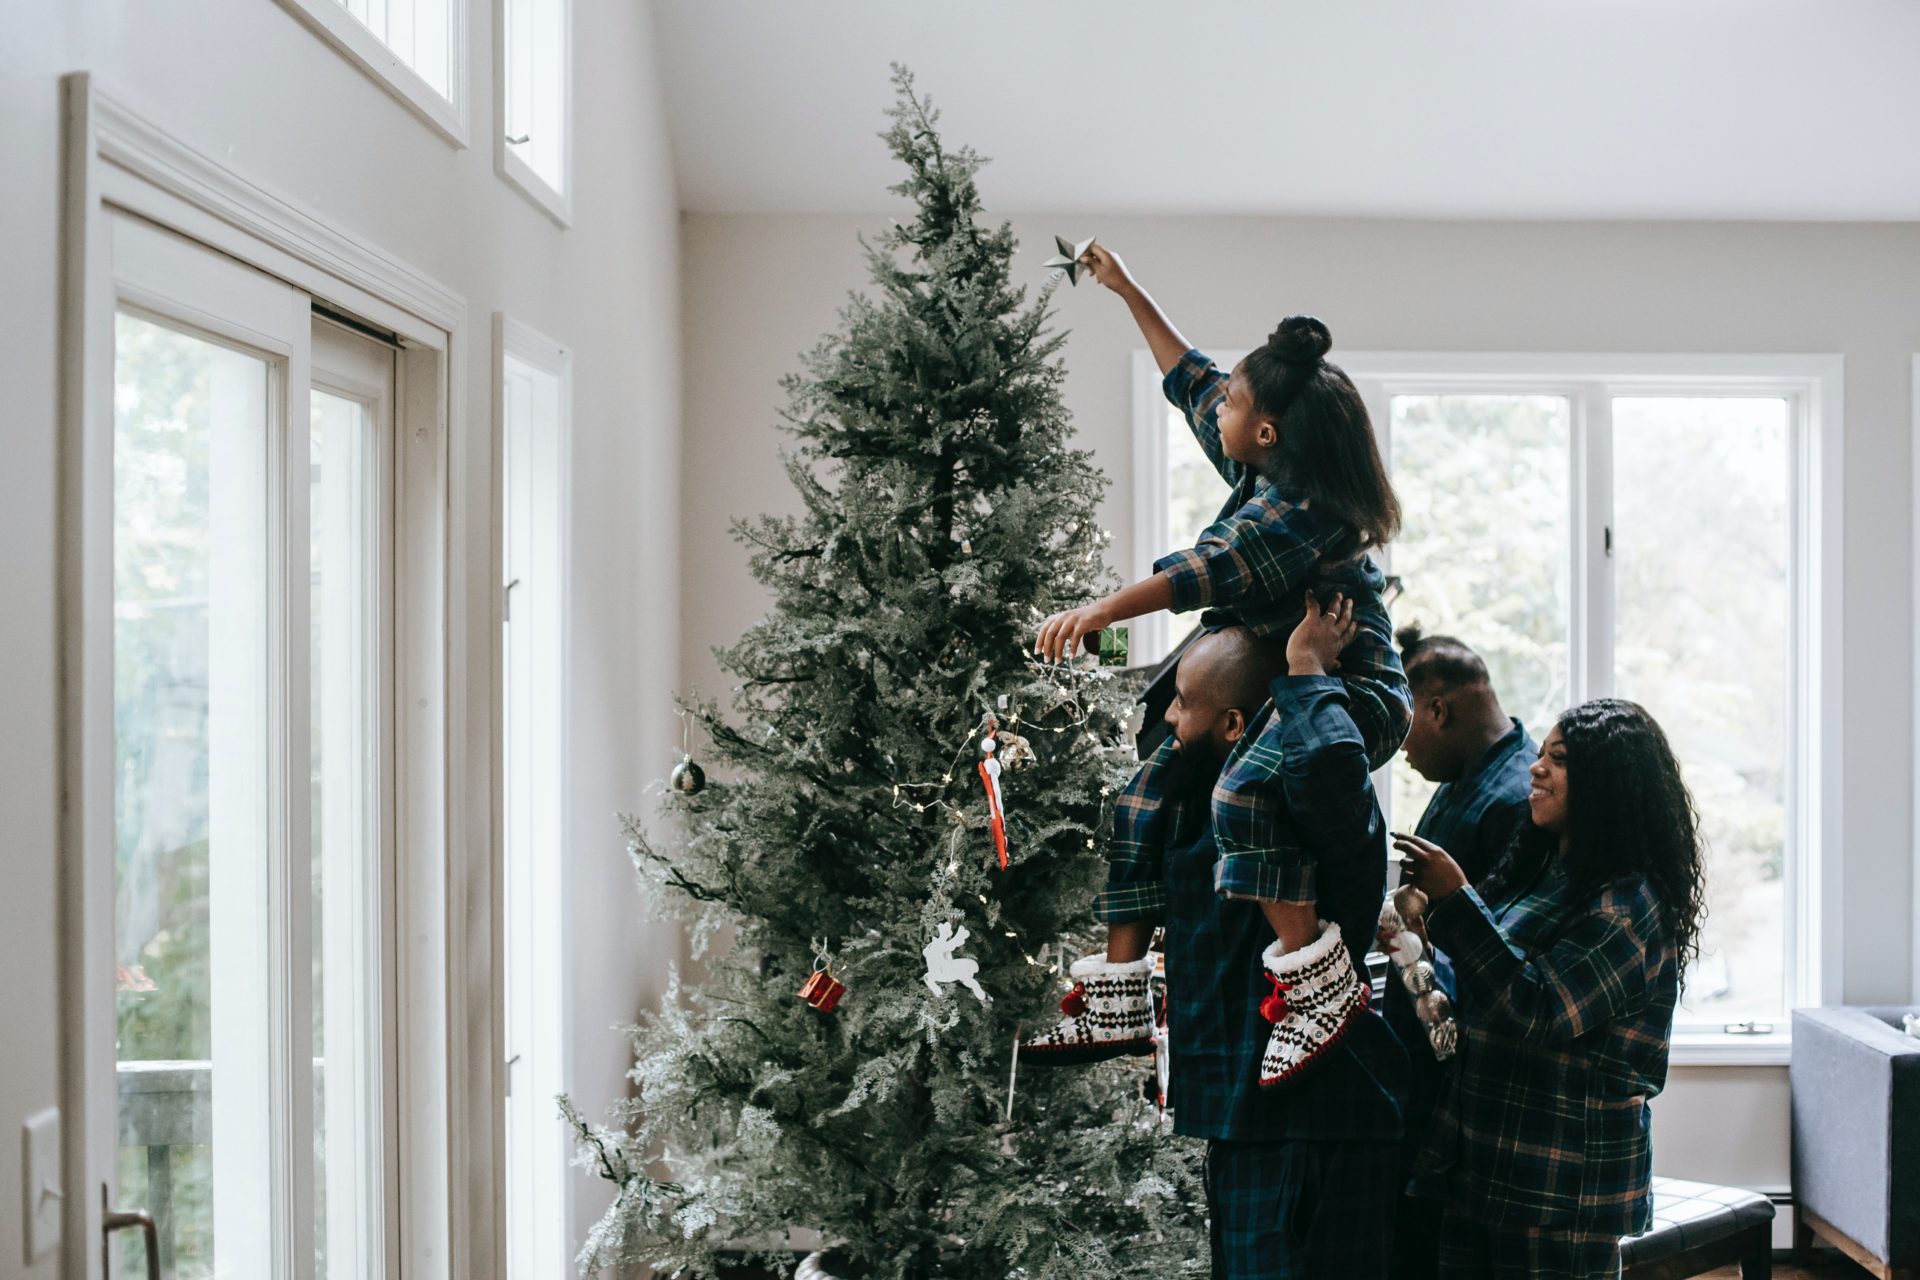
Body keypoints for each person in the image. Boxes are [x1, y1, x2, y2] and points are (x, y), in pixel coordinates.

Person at [1023, 244, 1410, 1083]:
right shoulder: (1264, 454)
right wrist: (1128, 288)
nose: (1221, 408)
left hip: (1352, 691)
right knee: (1144, 794)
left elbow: (1198, 573)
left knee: (1242, 791)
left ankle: (1319, 982)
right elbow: (1191, 379)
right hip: (1291, 675)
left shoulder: (1296, 514)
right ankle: (1117, 1000)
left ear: (1266, 430)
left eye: (1238, 402)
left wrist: (1099, 614)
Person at [1108, 621, 1410, 1279]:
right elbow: (1151, 771)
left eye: (1184, 704)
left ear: (1235, 724)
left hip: (1312, 1127)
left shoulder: (1314, 811)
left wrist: (1305, 669)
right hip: (1247, 1123)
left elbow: (1332, 760)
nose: (1168, 715)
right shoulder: (1200, 816)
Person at [1393, 699, 1708, 1280]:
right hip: (1483, 1163)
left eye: (1558, 760)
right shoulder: (1541, 873)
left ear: (1610, 783)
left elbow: (1538, 1008)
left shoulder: (1629, 903)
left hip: (1559, 1189)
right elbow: (1486, 986)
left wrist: (1458, 898)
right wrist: (1420, 941)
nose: (1535, 769)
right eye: (1540, 755)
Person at [1384, 627, 1537, 1280]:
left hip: (1455, 1069)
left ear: (1437, 709)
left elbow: (1499, 954)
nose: (1401, 748)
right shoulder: (1467, 774)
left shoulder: (1514, 803)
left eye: (1404, 727)